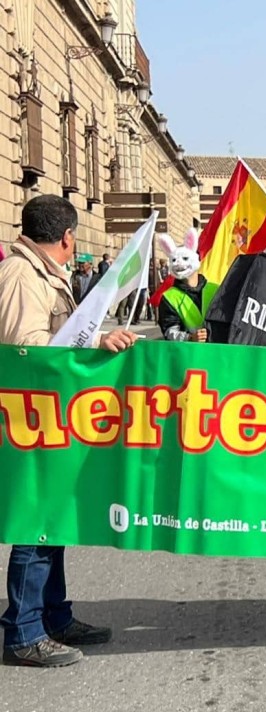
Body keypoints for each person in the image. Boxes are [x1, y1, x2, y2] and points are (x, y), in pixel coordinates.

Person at [0, 195, 138, 667]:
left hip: (52, 414)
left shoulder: (41, 272)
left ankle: (55, 617)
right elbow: (27, 350)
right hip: (33, 417)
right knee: (36, 524)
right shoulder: (22, 276)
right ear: (67, 237)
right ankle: (23, 630)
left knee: (54, 520)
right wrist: (94, 342)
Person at [158, 264, 217, 343]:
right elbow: (169, 332)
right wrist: (190, 338)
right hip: (189, 352)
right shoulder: (169, 296)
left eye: (186, 258)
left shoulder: (216, 289)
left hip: (216, 351)